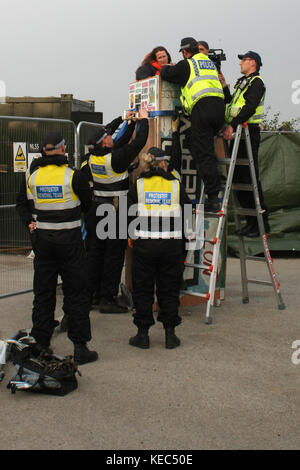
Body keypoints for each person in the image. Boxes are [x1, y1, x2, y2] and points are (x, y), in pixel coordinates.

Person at [16, 132, 98, 365]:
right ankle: (80, 347)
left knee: (43, 293)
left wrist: (29, 223)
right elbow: (87, 203)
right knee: (76, 293)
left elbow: (22, 203)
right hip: (70, 241)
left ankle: (41, 343)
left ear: (43, 151)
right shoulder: (74, 176)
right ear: (63, 149)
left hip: (43, 241)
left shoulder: (32, 176)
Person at [81, 109, 149, 314]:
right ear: (105, 143)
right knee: (113, 255)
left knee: (95, 253)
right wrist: (144, 120)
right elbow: (139, 143)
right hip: (115, 209)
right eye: (108, 137)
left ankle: (92, 294)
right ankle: (107, 298)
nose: (111, 136)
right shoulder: (116, 159)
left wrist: (124, 120)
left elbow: (114, 137)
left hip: (95, 208)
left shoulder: (90, 159)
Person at [127, 150, 191, 349]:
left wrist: (132, 238)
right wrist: (186, 243)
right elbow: (188, 214)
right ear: (163, 164)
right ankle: (170, 336)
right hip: (171, 246)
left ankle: (143, 335)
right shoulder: (175, 185)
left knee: (143, 290)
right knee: (169, 290)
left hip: (145, 245)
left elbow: (127, 217)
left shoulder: (137, 185)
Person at [161, 37, 225, 212]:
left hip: (203, 110)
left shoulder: (187, 64)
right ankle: (215, 176)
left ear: (185, 52)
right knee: (195, 144)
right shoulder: (210, 62)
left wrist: (167, 66)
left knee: (203, 155)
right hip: (219, 109)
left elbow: (166, 74)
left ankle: (213, 198)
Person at [222, 51, 270, 237]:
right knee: (238, 179)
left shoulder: (257, 82)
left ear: (253, 63)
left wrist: (232, 126)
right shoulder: (243, 82)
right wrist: (224, 86)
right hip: (238, 131)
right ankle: (251, 223)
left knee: (250, 177)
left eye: (244, 59)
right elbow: (232, 104)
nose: (240, 62)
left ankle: (261, 224)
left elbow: (249, 107)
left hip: (248, 132)